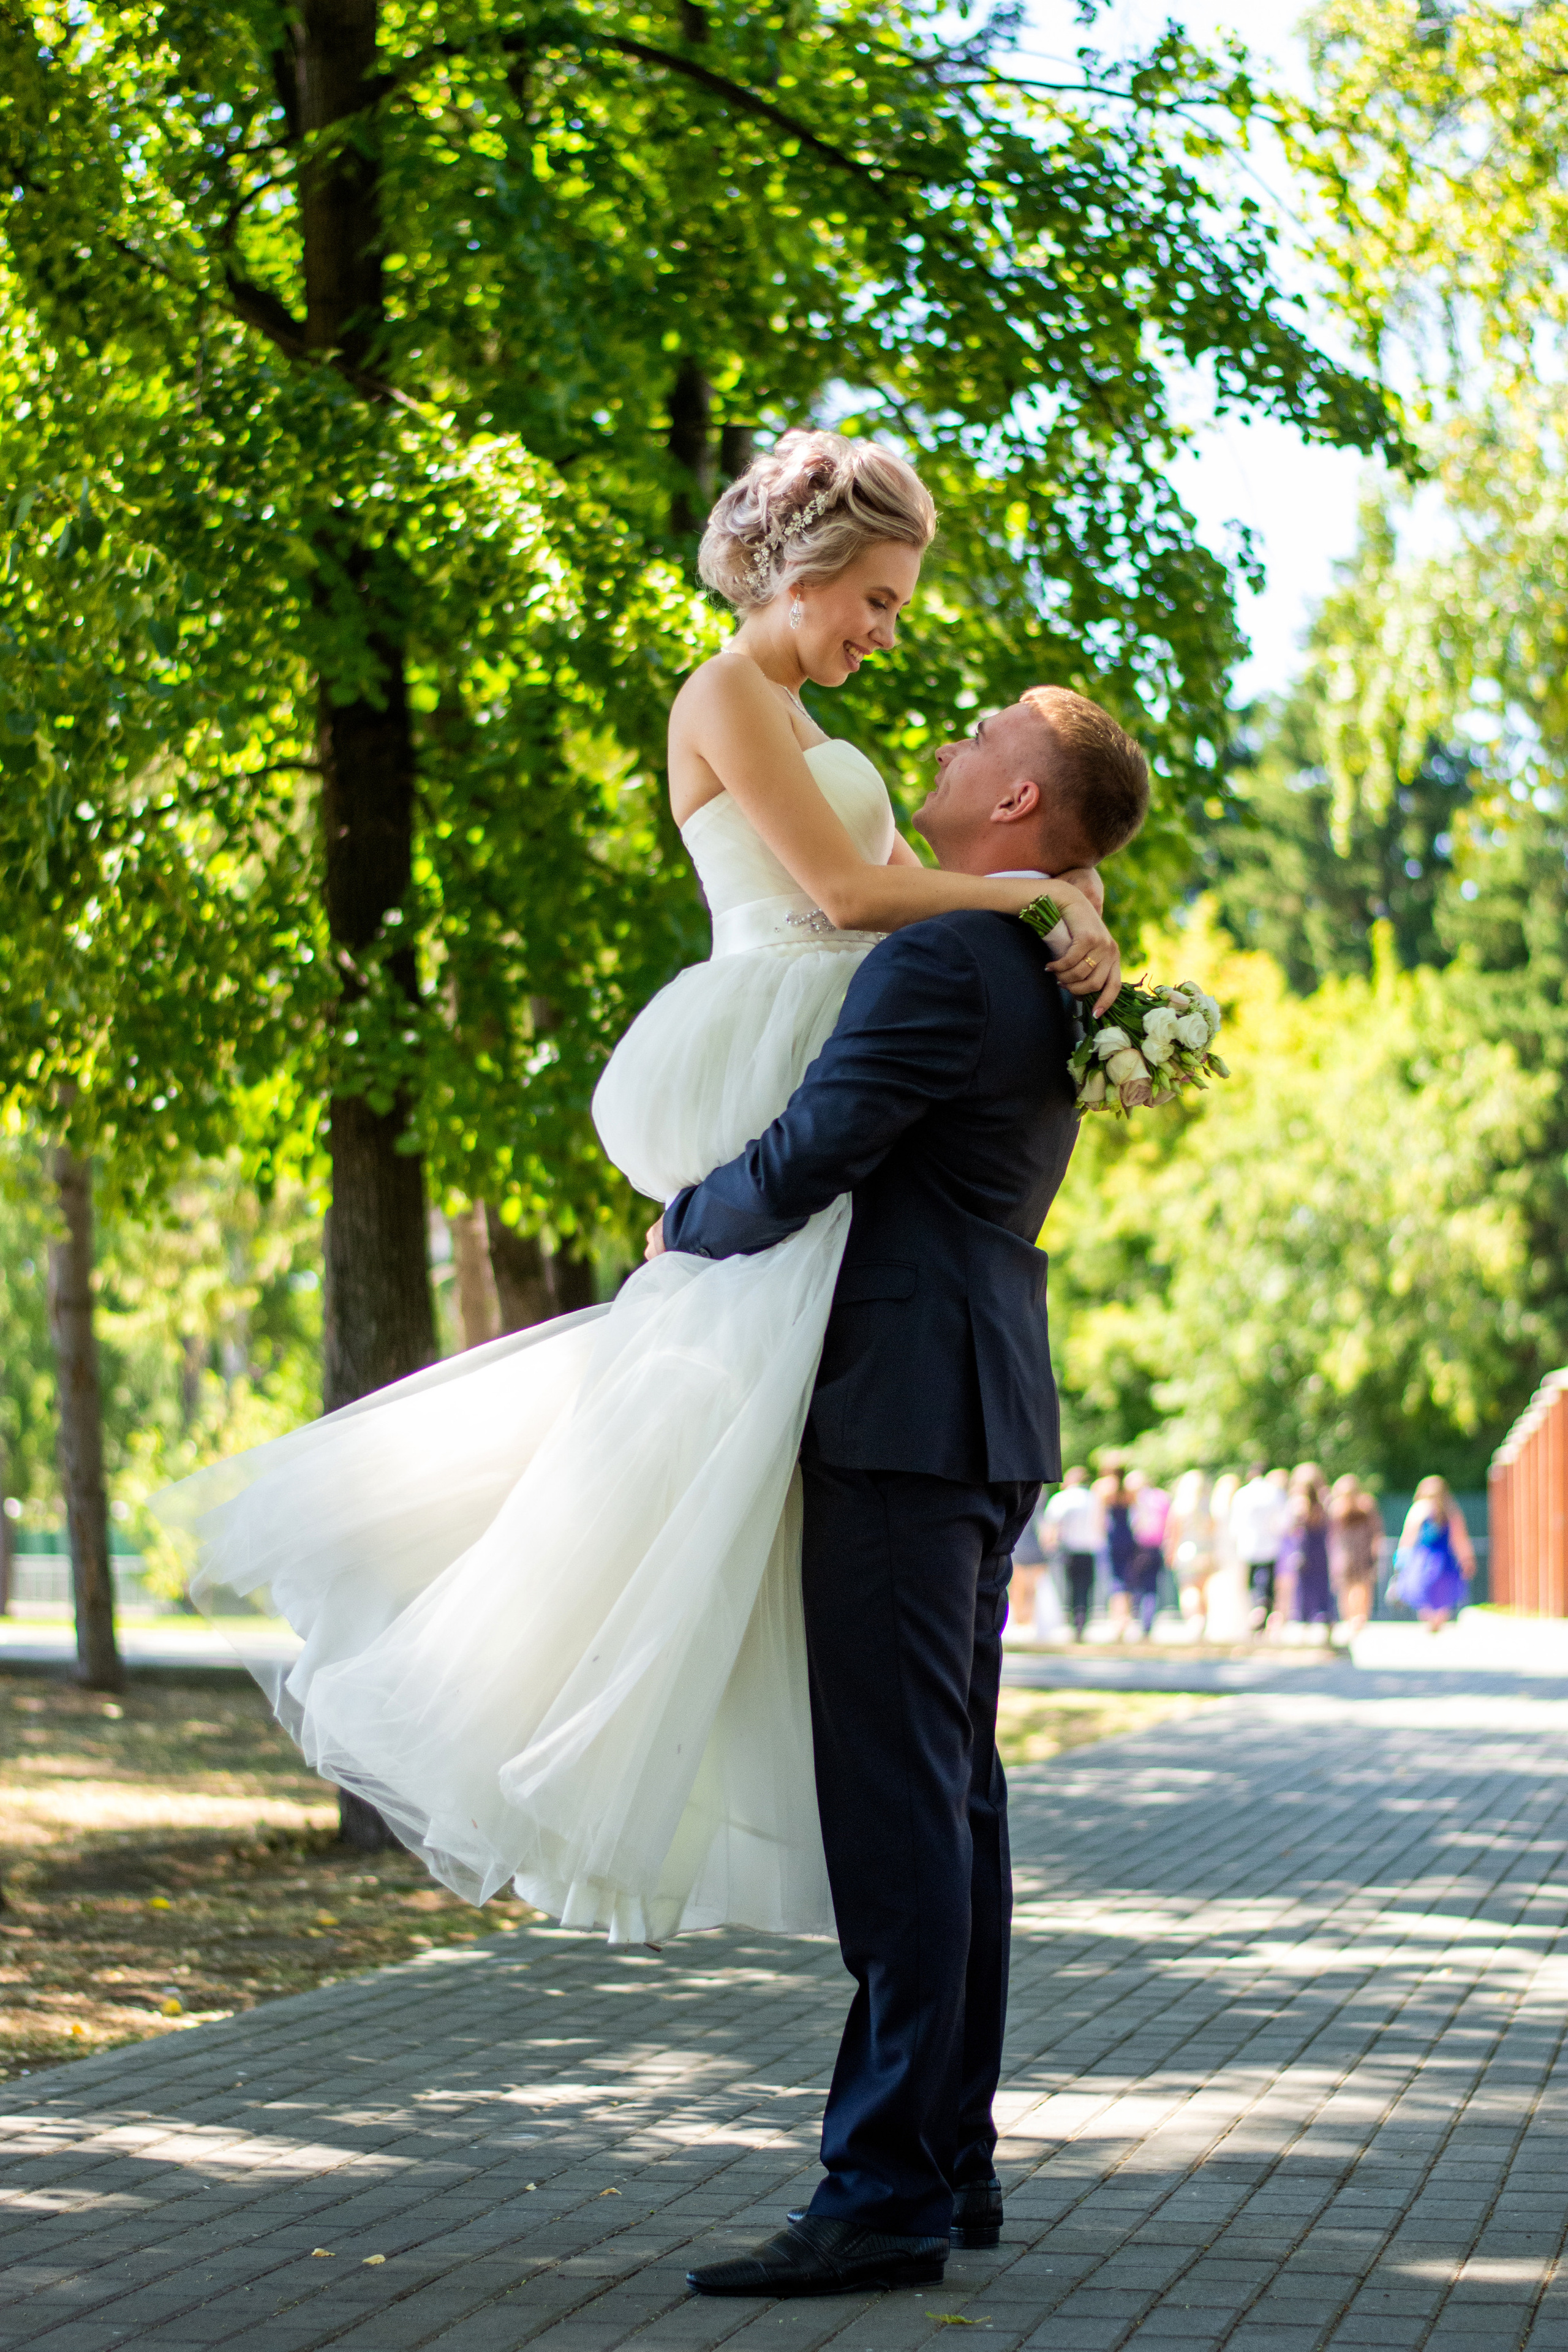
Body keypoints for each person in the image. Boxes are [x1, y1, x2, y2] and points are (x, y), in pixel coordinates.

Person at [149, 427, 1137, 1964]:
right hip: (766, 1017)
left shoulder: (808, 718)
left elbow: (911, 906)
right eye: (874, 600)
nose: (886, 633)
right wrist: (1029, 893)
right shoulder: (722, 693)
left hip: (840, 1041)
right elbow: (847, 898)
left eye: (893, 606)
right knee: (702, 1381)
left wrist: (1071, 902)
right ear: (803, 570)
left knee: (739, 1438)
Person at [654, 677, 1145, 2300]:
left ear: (1018, 804)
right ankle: (950, 2160)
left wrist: (684, 1224)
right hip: (980, 1409)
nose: (950, 737)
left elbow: (817, 1149)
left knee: (898, 1815)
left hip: (899, 1418)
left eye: (985, 733)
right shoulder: (1040, 962)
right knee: (951, 1802)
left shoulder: (943, 960)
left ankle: (880, 2196)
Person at [1393, 1476, 1476, 1630]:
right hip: (1437, 1558)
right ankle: (1436, 1619)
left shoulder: (1424, 1510)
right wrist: (1467, 1559)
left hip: (1427, 1558)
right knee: (1439, 1590)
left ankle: (1432, 1619)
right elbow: (1460, 1539)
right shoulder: (1448, 1510)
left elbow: (1408, 1538)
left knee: (1426, 1589)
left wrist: (1400, 1559)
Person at [1041, 1466, 1102, 1642]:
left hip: (1067, 1550)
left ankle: (1072, 1620)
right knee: (1086, 1588)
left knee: (1069, 1587)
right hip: (1089, 1550)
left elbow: (1051, 1525)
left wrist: (1048, 1546)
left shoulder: (1062, 1499)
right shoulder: (1094, 1498)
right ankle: (1082, 1621)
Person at [1231, 1460, 1290, 1632]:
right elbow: (1282, 1522)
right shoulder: (1275, 1493)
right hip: (1270, 1545)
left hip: (1248, 1545)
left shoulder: (1242, 1494)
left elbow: (1235, 1525)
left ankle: (1257, 1610)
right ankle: (1264, 1610)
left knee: (1252, 1582)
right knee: (1268, 1582)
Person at [1277, 1462, 1334, 1637]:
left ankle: (1313, 1619)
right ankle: (1317, 1618)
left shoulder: (1314, 1501)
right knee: (1311, 1586)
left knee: (1309, 1586)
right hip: (1312, 1549)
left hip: (1309, 1548)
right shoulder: (1322, 1501)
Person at [1164, 1468, 1215, 1640]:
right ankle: (1203, 1619)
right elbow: (1213, 1530)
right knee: (1202, 1588)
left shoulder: (1180, 1506)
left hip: (1186, 1550)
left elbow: (1174, 1533)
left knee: (1188, 1588)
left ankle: (1195, 1619)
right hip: (1205, 1550)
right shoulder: (1208, 1506)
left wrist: (1170, 1553)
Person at [1328, 1475, 1379, 1638]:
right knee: (1348, 1586)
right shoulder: (1336, 1509)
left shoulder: (1366, 1506)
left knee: (1362, 1584)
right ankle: (1351, 1617)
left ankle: (1359, 1616)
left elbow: (1376, 1530)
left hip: (1360, 1551)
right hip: (1346, 1552)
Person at [1203, 1471, 1251, 1643]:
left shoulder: (1219, 1505)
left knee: (1229, 1585)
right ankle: (1234, 1625)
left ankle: (1230, 1625)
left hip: (1227, 1549)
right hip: (1230, 1549)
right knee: (1233, 1586)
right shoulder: (1235, 1504)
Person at [1098, 1461, 1139, 1640]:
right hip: (1127, 1536)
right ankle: (1125, 1618)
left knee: (1115, 1580)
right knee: (1127, 1578)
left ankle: (1118, 1620)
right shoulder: (1130, 1491)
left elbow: (1100, 1518)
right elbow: (1136, 1516)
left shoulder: (1103, 1489)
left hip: (1113, 1537)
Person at [1126, 1468, 1169, 1637]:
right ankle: (1147, 1624)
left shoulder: (1137, 1499)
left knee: (1137, 1585)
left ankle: (1138, 1620)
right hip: (1157, 1548)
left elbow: (1135, 1524)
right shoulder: (1161, 1498)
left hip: (1140, 1547)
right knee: (1152, 1586)